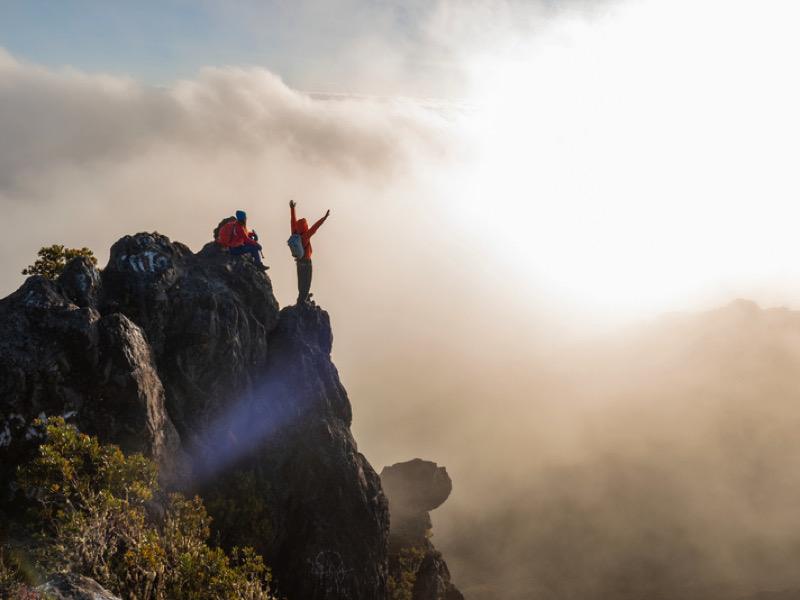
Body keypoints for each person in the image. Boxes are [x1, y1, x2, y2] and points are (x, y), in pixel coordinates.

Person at [290, 200, 330, 304]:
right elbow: (316, 226)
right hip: (307, 262)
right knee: (306, 282)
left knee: (301, 281)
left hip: (298, 262)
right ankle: (302, 301)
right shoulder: (305, 236)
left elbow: (292, 221)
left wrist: (292, 208)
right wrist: (324, 218)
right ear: (305, 226)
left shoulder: (294, 232)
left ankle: (303, 296)